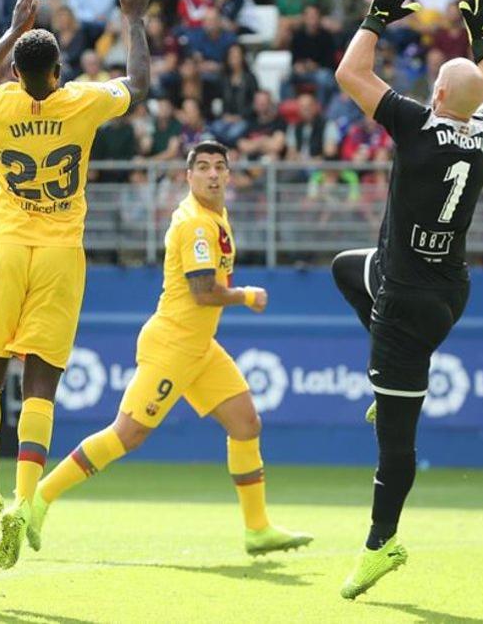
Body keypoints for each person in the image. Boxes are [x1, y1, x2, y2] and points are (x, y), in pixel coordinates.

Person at [0, 0, 150, 570]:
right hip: (62, 253)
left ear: (18, 71)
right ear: (59, 73)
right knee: (41, 385)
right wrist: (134, 18)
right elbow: (139, 85)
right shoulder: (81, 101)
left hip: (8, 245)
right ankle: (20, 501)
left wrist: (13, 31)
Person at [33, 140, 312, 555]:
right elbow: (203, 292)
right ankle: (40, 497)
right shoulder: (197, 224)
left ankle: (257, 529)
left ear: (229, 174)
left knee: (246, 424)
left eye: (220, 166)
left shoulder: (217, 216)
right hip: (174, 345)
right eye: (203, 167)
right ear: (189, 176)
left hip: (199, 347)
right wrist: (247, 296)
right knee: (126, 435)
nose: (213, 174)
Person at [331, 0, 483, 599]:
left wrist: (376, 18)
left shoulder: (418, 125)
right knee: (348, 269)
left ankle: (381, 543)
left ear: (436, 92)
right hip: (443, 290)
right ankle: (391, 394)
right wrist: (482, 36)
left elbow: (350, 75)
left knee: (395, 445)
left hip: (407, 305)